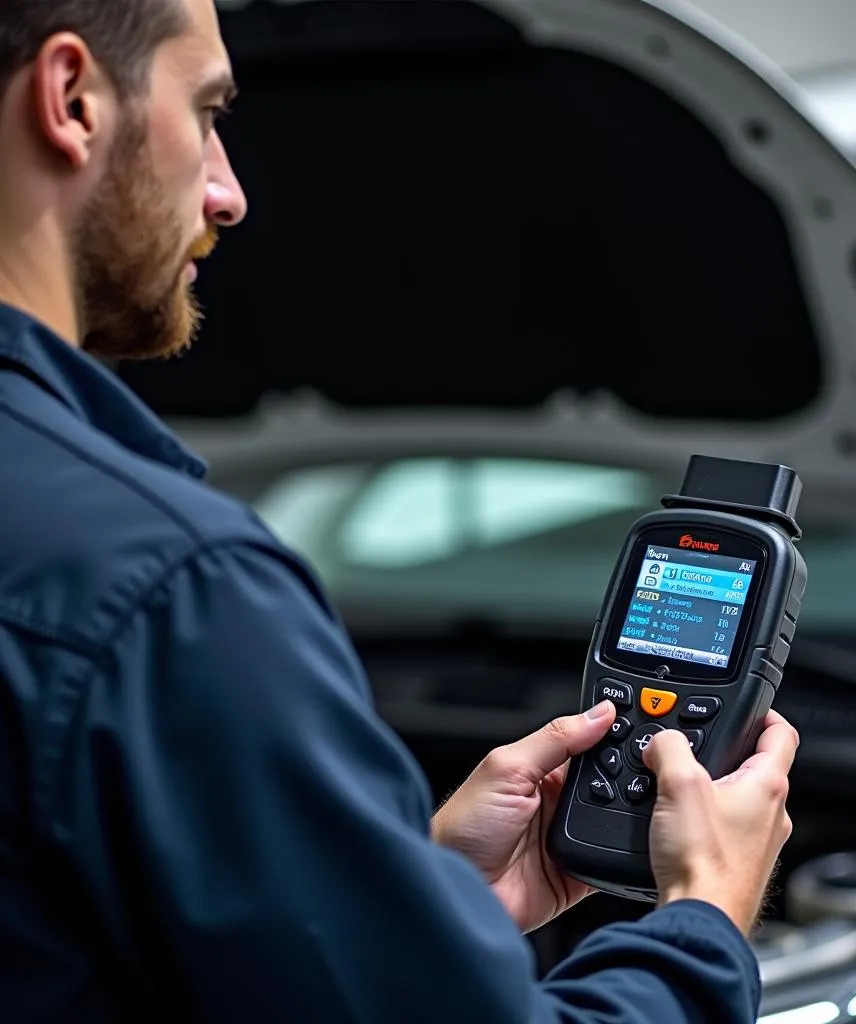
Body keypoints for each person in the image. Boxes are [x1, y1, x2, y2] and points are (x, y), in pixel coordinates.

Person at [0, 1, 799, 1020]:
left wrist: (411, 899)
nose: (229, 193)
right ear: (71, 99)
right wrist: (704, 915)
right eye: (205, 112)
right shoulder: (168, 591)